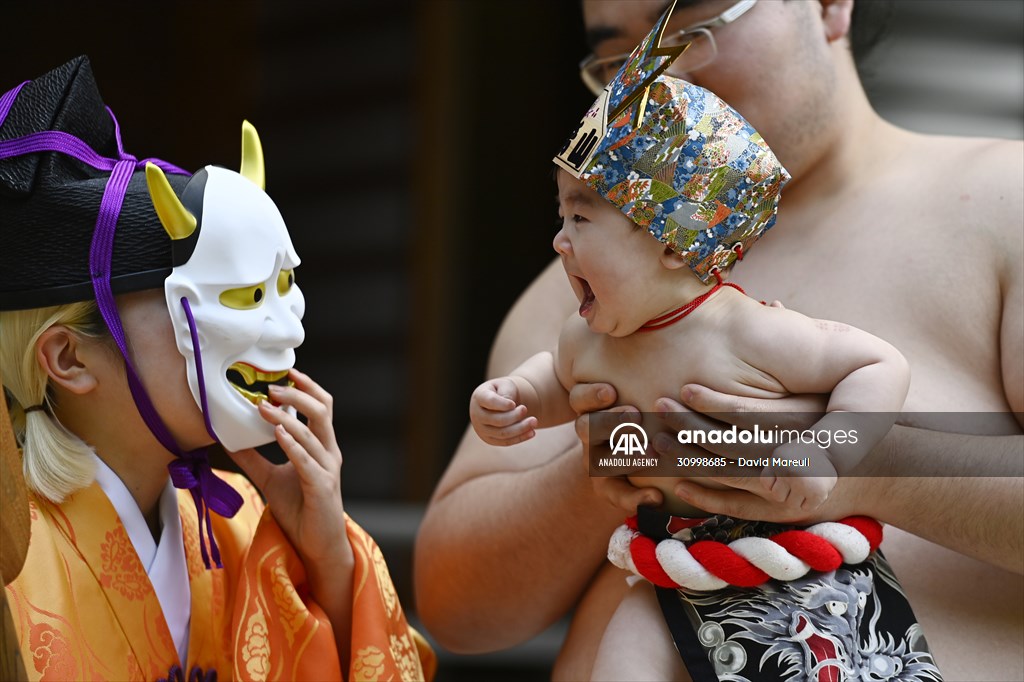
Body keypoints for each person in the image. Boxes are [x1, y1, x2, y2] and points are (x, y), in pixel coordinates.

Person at [415, 1, 1023, 680]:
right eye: (618, 57)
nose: (656, 78)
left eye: (695, 24)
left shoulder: (1005, 201)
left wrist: (850, 456)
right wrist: (627, 447)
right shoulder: (584, 293)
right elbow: (458, 609)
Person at [0, 56, 434, 681]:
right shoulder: (14, 553)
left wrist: (328, 561)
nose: (274, 331)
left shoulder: (242, 528)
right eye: (225, 299)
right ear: (69, 358)